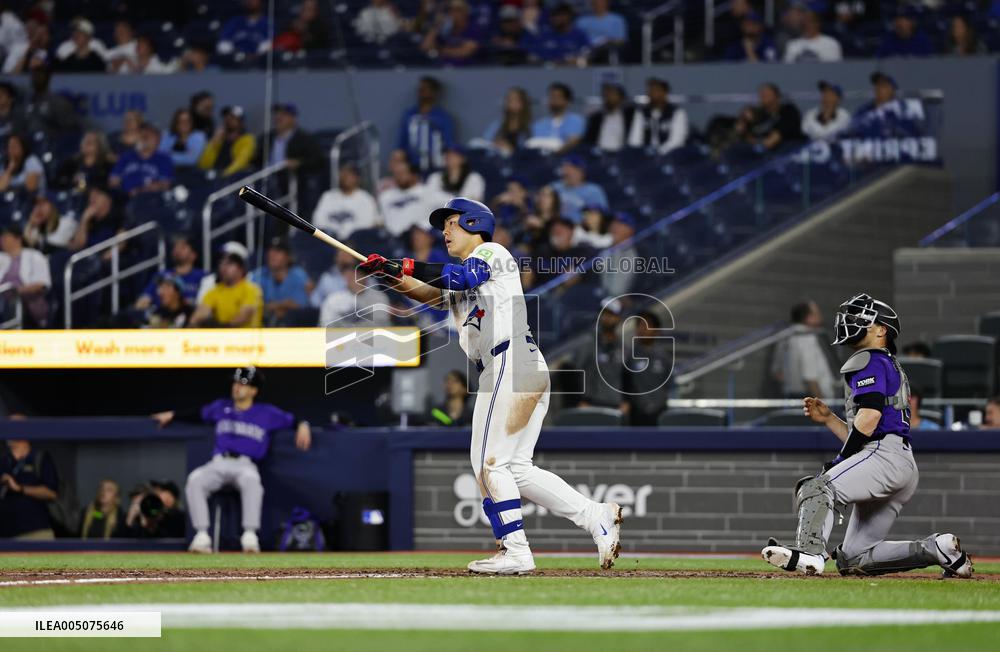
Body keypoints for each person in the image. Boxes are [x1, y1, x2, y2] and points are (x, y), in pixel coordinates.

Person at [360, 197, 624, 574]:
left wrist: (403, 263)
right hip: (517, 365)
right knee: (515, 468)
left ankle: (515, 550)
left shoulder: (492, 252)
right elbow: (431, 294)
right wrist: (390, 275)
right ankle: (597, 517)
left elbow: (458, 278)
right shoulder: (466, 270)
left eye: (451, 223)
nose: (445, 231)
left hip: (510, 360)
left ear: (472, 222)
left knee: (489, 463)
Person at [762, 293, 974, 578]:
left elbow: (870, 419)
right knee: (853, 558)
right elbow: (867, 430)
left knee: (816, 487)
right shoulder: (886, 362)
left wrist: (839, 460)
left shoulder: (869, 359)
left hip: (883, 457)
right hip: (896, 460)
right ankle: (938, 549)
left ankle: (810, 553)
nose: (852, 321)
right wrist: (828, 419)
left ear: (881, 330)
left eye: (864, 318)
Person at [153, 366, 311, 553]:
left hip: (246, 464)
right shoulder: (220, 407)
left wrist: (303, 425)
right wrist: (172, 415)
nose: (237, 387)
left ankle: (250, 535)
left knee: (252, 481)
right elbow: (196, 413)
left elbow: (294, 419)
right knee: (195, 479)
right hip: (218, 462)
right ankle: (202, 535)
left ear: (253, 390)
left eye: (243, 384)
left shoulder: (267, 413)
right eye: (236, 382)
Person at [574, 297, 630, 416]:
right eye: (603, 313)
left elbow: (626, 377)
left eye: (611, 314)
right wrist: (580, 400)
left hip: (616, 406)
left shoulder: (623, 347)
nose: (606, 318)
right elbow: (576, 373)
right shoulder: (588, 342)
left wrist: (626, 402)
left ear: (618, 318)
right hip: (590, 405)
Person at [770, 300, 836, 400]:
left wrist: (792, 383)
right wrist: (824, 406)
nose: (820, 316)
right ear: (809, 318)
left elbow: (777, 373)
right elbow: (810, 378)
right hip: (811, 399)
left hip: (791, 396)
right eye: (817, 313)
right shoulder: (807, 337)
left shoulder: (785, 337)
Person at [0, 438, 59, 539]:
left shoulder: (39, 457)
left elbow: (51, 493)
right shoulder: (4, 460)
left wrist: (20, 488)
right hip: (7, 536)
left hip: (36, 533)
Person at [318, 248, 393, 326]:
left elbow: (383, 327)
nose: (355, 277)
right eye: (351, 273)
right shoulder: (333, 300)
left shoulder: (379, 298)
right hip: (341, 337)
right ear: (345, 276)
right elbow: (325, 327)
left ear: (366, 276)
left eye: (359, 273)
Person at [191, 248, 264, 328]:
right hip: (222, 336)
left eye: (229, 264)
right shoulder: (214, 291)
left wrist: (219, 329)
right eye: (221, 263)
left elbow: (243, 317)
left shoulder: (252, 289)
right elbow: (197, 317)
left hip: (249, 337)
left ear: (241, 268)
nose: (223, 267)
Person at [624, 310, 672, 425]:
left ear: (656, 330)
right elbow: (624, 383)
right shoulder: (628, 355)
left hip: (659, 410)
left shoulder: (664, 357)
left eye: (647, 325)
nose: (642, 329)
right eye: (639, 325)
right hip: (635, 411)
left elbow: (669, 384)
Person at [397, 76, 455, 172]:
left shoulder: (443, 117)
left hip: (436, 165)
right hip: (412, 165)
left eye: (425, 89)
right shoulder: (409, 115)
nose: (421, 92)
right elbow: (402, 141)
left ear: (434, 92)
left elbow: (448, 142)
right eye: (420, 89)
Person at [379, 155, 446, 236]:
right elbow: (380, 219)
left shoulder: (427, 192)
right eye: (396, 174)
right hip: (391, 239)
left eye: (402, 173)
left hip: (417, 237)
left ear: (414, 175)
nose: (398, 177)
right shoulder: (385, 196)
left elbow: (453, 203)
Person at [251, 237, 311, 327]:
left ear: (288, 257)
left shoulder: (298, 275)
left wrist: (274, 306)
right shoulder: (258, 274)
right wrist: (283, 305)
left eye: (278, 251)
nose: (272, 254)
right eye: (270, 250)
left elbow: (300, 306)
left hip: (294, 328)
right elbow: (252, 306)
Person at [135, 234, 205, 310]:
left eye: (182, 247)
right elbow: (144, 299)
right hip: (161, 317)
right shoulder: (161, 275)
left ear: (193, 255)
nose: (177, 250)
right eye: (175, 247)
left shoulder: (203, 277)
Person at [0, 224, 51, 328]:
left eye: (5, 236)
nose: (1, 240)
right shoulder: (1, 258)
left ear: (18, 238)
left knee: (11, 303)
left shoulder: (34, 256)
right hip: (2, 298)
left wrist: (16, 292)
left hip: (25, 302)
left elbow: (42, 284)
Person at [312, 163, 381, 239]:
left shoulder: (365, 198)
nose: (345, 177)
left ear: (357, 178)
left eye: (350, 174)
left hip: (355, 242)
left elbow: (365, 225)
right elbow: (318, 221)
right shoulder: (328, 196)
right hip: (328, 240)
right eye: (343, 173)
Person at [109, 122, 175, 195]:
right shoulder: (126, 156)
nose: (145, 138)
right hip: (124, 197)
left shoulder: (163, 158)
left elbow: (165, 185)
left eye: (149, 136)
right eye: (142, 135)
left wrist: (140, 191)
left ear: (158, 139)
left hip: (151, 198)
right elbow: (113, 181)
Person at [628, 77, 688, 155]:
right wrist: (641, 152)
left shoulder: (677, 113)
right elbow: (634, 139)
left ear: (664, 93)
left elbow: (677, 141)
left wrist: (658, 152)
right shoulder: (641, 113)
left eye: (655, 90)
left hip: (670, 155)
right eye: (649, 90)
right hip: (644, 155)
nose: (651, 93)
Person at [261, 103, 324, 174]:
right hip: (263, 178)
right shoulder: (267, 138)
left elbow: (319, 159)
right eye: (277, 114)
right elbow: (256, 159)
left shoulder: (304, 139)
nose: (278, 117)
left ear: (293, 119)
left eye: (284, 114)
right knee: (247, 184)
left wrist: (299, 163)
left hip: (290, 180)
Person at [198, 105, 257, 178]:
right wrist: (214, 142)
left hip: (233, 179)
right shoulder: (219, 139)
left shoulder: (247, 139)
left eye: (232, 118)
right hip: (213, 176)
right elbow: (203, 164)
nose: (228, 120)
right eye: (226, 117)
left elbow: (241, 163)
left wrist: (223, 175)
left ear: (241, 122)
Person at [420, 0, 484, 66]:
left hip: (466, 69)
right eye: (451, 11)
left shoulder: (473, 28)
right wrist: (436, 26)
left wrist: (439, 50)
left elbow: (465, 52)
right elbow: (425, 47)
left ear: (465, 12)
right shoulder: (444, 28)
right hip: (442, 69)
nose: (454, 14)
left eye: (458, 11)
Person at [742, 83, 803, 151]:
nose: (763, 97)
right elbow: (749, 138)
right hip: (765, 151)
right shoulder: (759, 115)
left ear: (777, 96)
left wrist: (762, 144)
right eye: (761, 94)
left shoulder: (788, 111)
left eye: (767, 94)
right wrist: (745, 122)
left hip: (787, 149)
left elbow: (773, 140)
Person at [24, 66, 81, 137]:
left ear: (48, 79)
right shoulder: (27, 102)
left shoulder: (57, 102)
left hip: (51, 144)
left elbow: (71, 127)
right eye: (34, 76)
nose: (37, 79)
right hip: (30, 144)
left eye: (40, 75)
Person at [551, 154, 608, 224]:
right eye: (565, 169)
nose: (566, 172)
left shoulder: (593, 191)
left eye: (572, 169)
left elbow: (599, 215)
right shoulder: (554, 187)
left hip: (581, 229)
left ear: (582, 172)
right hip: (555, 226)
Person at [529, 83, 585, 153]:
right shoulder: (539, 124)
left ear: (567, 101)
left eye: (558, 97)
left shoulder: (576, 120)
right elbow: (535, 145)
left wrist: (557, 152)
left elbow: (573, 141)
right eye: (551, 97)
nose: (554, 100)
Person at [583, 82, 634, 153]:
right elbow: (588, 141)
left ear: (621, 97)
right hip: (599, 154)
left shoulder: (630, 116)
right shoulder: (596, 118)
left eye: (611, 93)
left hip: (623, 155)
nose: (607, 97)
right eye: (605, 94)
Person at [70, 186, 124, 251]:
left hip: (107, 258)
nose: (92, 199)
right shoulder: (90, 221)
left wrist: (103, 258)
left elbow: (121, 242)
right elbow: (77, 245)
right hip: (86, 257)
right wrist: (84, 220)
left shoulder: (118, 217)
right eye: (91, 196)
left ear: (107, 198)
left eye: (97, 195)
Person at [482, 87, 532, 155]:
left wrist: (511, 150)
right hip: (496, 160)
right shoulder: (497, 125)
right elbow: (485, 143)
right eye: (508, 99)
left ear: (523, 103)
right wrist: (495, 144)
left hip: (519, 162)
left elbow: (530, 151)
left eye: (515, 99)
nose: (511, 102)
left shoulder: (530, 127)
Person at [599, 211, 637, 297]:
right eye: (612, 224)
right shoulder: (605, 252)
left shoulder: (639, 253)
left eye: (620, 224)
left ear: (630, 230)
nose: (614, 227)